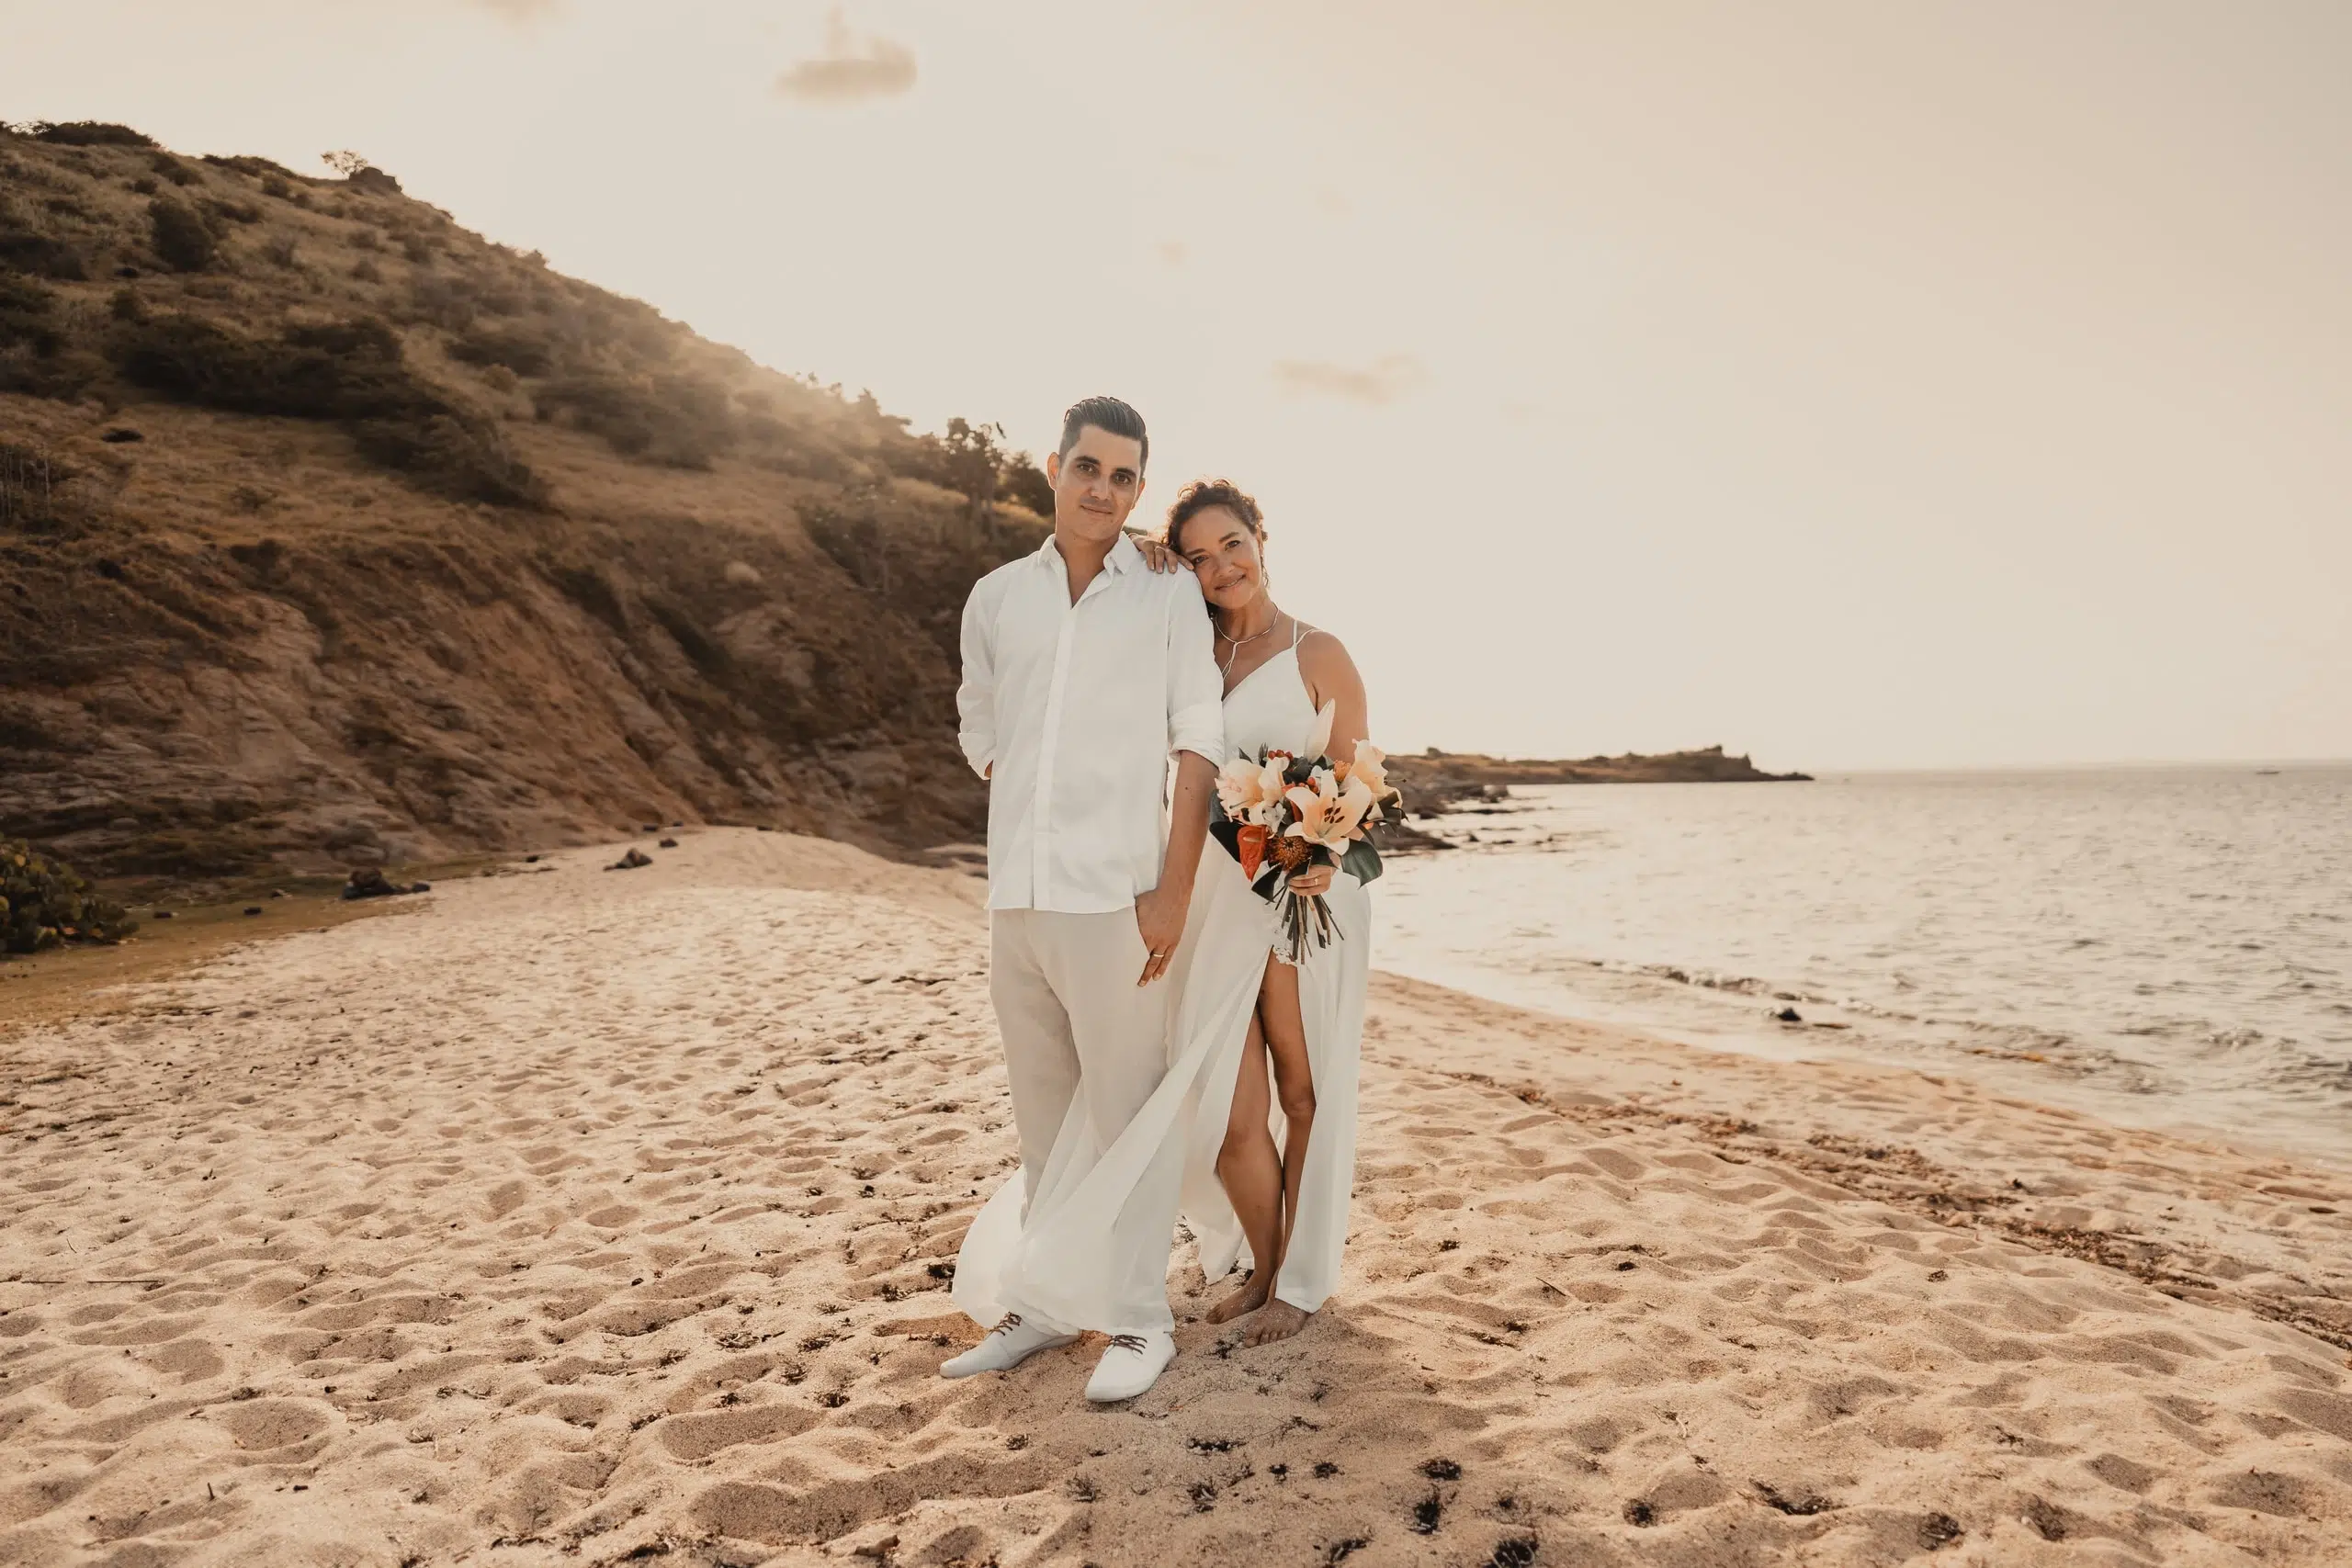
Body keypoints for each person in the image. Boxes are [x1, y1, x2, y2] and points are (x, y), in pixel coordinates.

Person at [940, 395, 1227, 1403]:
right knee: (1043, 1119)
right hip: (1015, 899)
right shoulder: (995, 597)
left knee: (1129, 1111)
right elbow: (978, 719)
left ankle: (1143, 1319)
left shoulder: (1165, 593)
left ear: (1139, 489)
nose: (1103, 489)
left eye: (1123, 476)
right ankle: (1048, 1305)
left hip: (1118, 899)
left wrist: (1172, 892)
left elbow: (1198, 739)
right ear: (1053, 468)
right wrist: (1022, 787)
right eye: (1088, 468)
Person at [1164, 479, 1373, 1348]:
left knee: (1303, 1087)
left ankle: (1297, 1282)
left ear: (1261, 538)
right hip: (1213, 898)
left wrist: (1325, 850)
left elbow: (1361, 780)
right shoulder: (1186, 658)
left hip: (1301, 894)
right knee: (1229, 1106)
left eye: (1232, 544)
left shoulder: (1316, 650)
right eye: (1198, 558)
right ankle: (1263, 1264)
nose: (1222, 567)